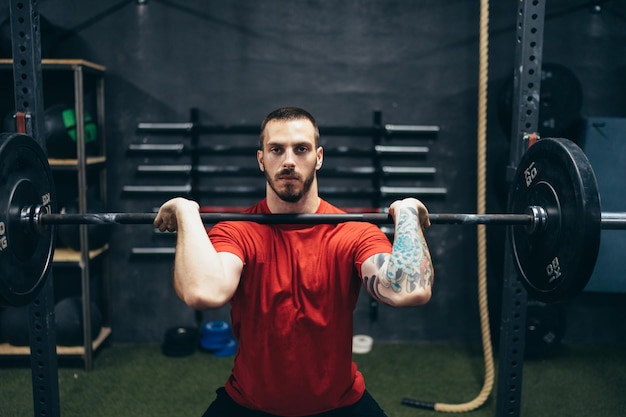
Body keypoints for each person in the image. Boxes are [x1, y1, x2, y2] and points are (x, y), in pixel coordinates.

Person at [154, 107, 434, 417]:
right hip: (249, 403)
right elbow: (202, 292)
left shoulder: (353, 232)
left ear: (319, 157)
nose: (289, 160)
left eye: (301, 149)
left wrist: (406, 211)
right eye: (277, 149)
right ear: (262, 159)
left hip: (340, 403)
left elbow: (410, 290)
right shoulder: (237, 232)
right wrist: (186, 211)